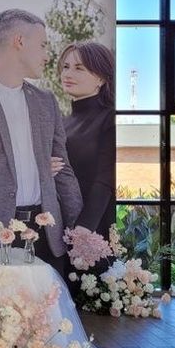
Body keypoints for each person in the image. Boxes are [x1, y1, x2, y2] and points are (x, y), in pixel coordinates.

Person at [0, 8, 82, 273]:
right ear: (19, 42)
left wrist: (79, 227)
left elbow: (63, 171)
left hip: (46, 235)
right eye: (42, 45)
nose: (47, 55)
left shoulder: (45, 102)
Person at [52, 41, 116, 239]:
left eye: (79, 68)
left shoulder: (110, 118)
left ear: (101, 78)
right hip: (60, 226)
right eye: (66, 67)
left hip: (94, 228)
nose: (68, 74)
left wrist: (85, 228)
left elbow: (106, 179)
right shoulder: (61, 123)